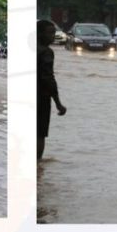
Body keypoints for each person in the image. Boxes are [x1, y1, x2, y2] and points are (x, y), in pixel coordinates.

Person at [37, 20, 67, 161]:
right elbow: (48, 78)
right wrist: (58, 103)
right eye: (50, 33)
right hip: (41, 98)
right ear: (39, 34)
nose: (53, 36)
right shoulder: (46, 52)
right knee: (40, 134)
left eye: (54, 33)